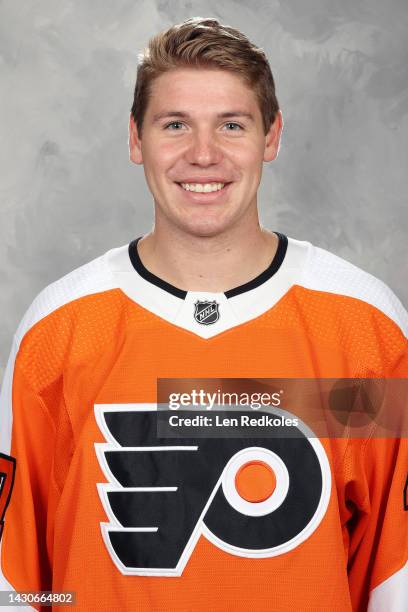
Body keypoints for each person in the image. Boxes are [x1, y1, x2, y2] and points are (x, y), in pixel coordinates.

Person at [0, 16, 407, 612]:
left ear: (271, 137)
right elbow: (18, 579)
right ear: (136, 139)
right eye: (175, 125)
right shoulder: (58, 328)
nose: (203, 154)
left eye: (232, 125)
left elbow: (392, 574)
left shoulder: (365, 326)